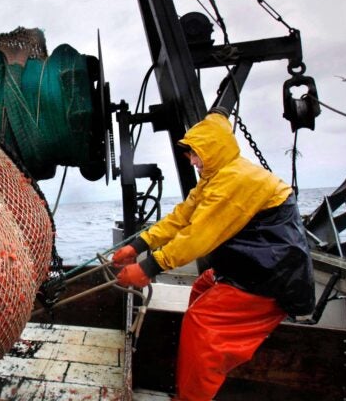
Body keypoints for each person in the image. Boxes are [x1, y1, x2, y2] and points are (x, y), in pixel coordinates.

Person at [112, 110, 315, 401]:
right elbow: (182, 217)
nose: (192, 161)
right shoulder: (214, 177)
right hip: (248, 266)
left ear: (213, 149)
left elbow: (198, 236)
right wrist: (139, 245)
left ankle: (192, 397)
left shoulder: (235, 181)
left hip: (270, 278)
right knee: (203, 285)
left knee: (201, 324)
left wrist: (148, 267)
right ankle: (192, 380)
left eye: (196, 154)